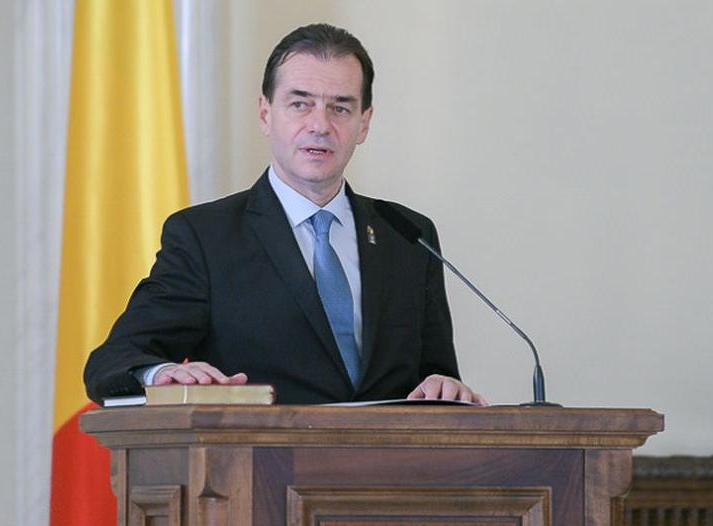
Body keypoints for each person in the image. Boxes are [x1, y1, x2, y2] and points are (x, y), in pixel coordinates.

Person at [84, 23, 485, 405]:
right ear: (265, 114)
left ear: (364, 123)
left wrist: (445, 385)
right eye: (300, 104)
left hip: (386, 456)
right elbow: (112, 361)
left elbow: (436, 377)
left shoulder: (409, 235)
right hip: (260, 454)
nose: (320, 125)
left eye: (340, 108)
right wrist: (163, 373)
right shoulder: (205, 237)